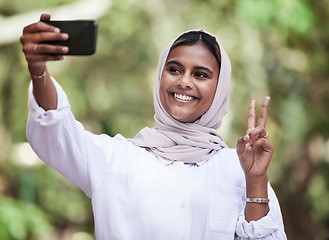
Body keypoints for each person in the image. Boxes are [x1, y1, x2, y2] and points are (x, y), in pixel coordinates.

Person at [21, 13, 287, 239]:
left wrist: (255, 180)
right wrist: (39, 70)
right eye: (174, 69)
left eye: (201, 74)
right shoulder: (115, 159)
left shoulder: (237, 167)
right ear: (160, 76)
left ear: (220, 88)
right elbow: (56, 130)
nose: (184, 81)